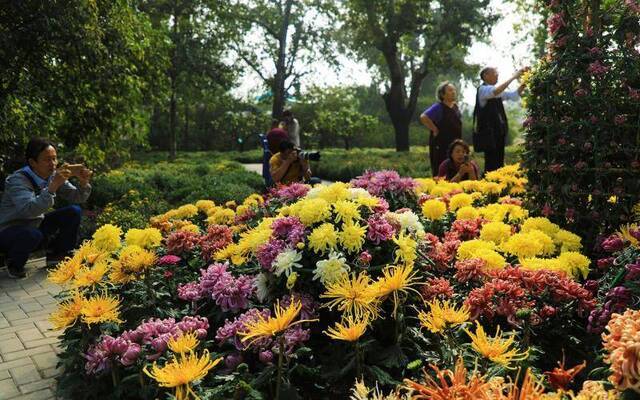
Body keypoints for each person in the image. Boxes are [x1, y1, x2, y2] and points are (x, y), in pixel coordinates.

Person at [0, 138, 92, 278]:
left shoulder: (52, 175)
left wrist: (84, 183)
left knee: (74, 211)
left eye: (54, 159)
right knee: (32, 234)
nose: (53, 164)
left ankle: (57, 254)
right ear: (32, 162)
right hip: (10, 232)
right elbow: (29, 210)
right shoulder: (17, 180)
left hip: (34, 226)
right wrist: (52, 187)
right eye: (47, 160)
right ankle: (14, 262)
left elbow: (76, 197)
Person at [473, 66, 528, 173]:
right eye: (494, 73)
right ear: (486, 76)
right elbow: (496, 91)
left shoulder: (496, 91)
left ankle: (499, 185)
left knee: (499, 162)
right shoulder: (483, 90)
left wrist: (525, 80)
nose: (497, 75)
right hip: (488, 134)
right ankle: (489, 185)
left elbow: (514, 96)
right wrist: (513, 77)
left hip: (498, 133)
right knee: (491, 163)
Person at [420, 82, 462, 176]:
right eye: (450, 90)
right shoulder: (438, 107)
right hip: (441, 145)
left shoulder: (455, 107)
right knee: (441, 170)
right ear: (442, 94)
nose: (453, 92)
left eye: (454, 90)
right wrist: (434, 129)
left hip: (455, 145)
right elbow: (423, 117)